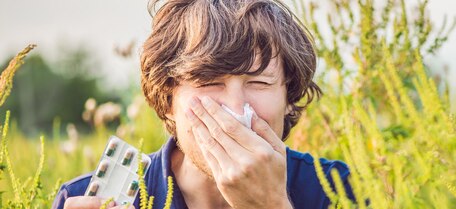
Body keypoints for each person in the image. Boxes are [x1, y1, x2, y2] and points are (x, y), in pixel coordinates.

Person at [51, 0, 354, 208]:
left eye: (259, 83)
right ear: (168, 100)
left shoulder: (338, 190)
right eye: (209, 83)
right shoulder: (81, 199)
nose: (235, 112)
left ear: (288, 97)